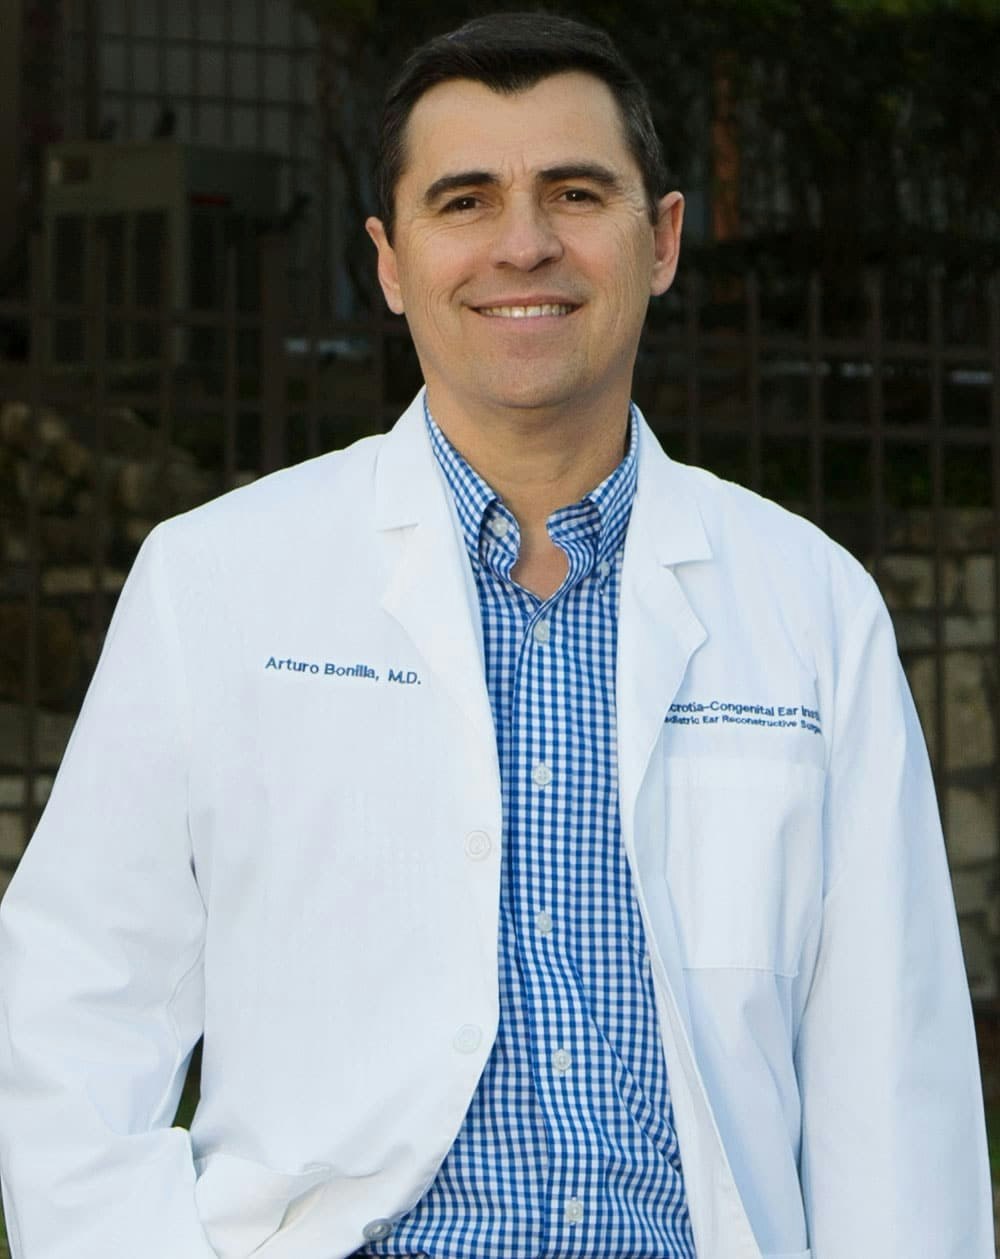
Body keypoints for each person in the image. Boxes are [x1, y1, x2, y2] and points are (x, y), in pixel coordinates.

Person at [0, 11, 992, 1259]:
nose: (524, 244)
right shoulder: (217, 583)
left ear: (663, 238)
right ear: (391, 261)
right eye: (464, 201)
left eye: (575, 192)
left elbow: (890, 1080)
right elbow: (74, 1004)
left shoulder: (808, 604)